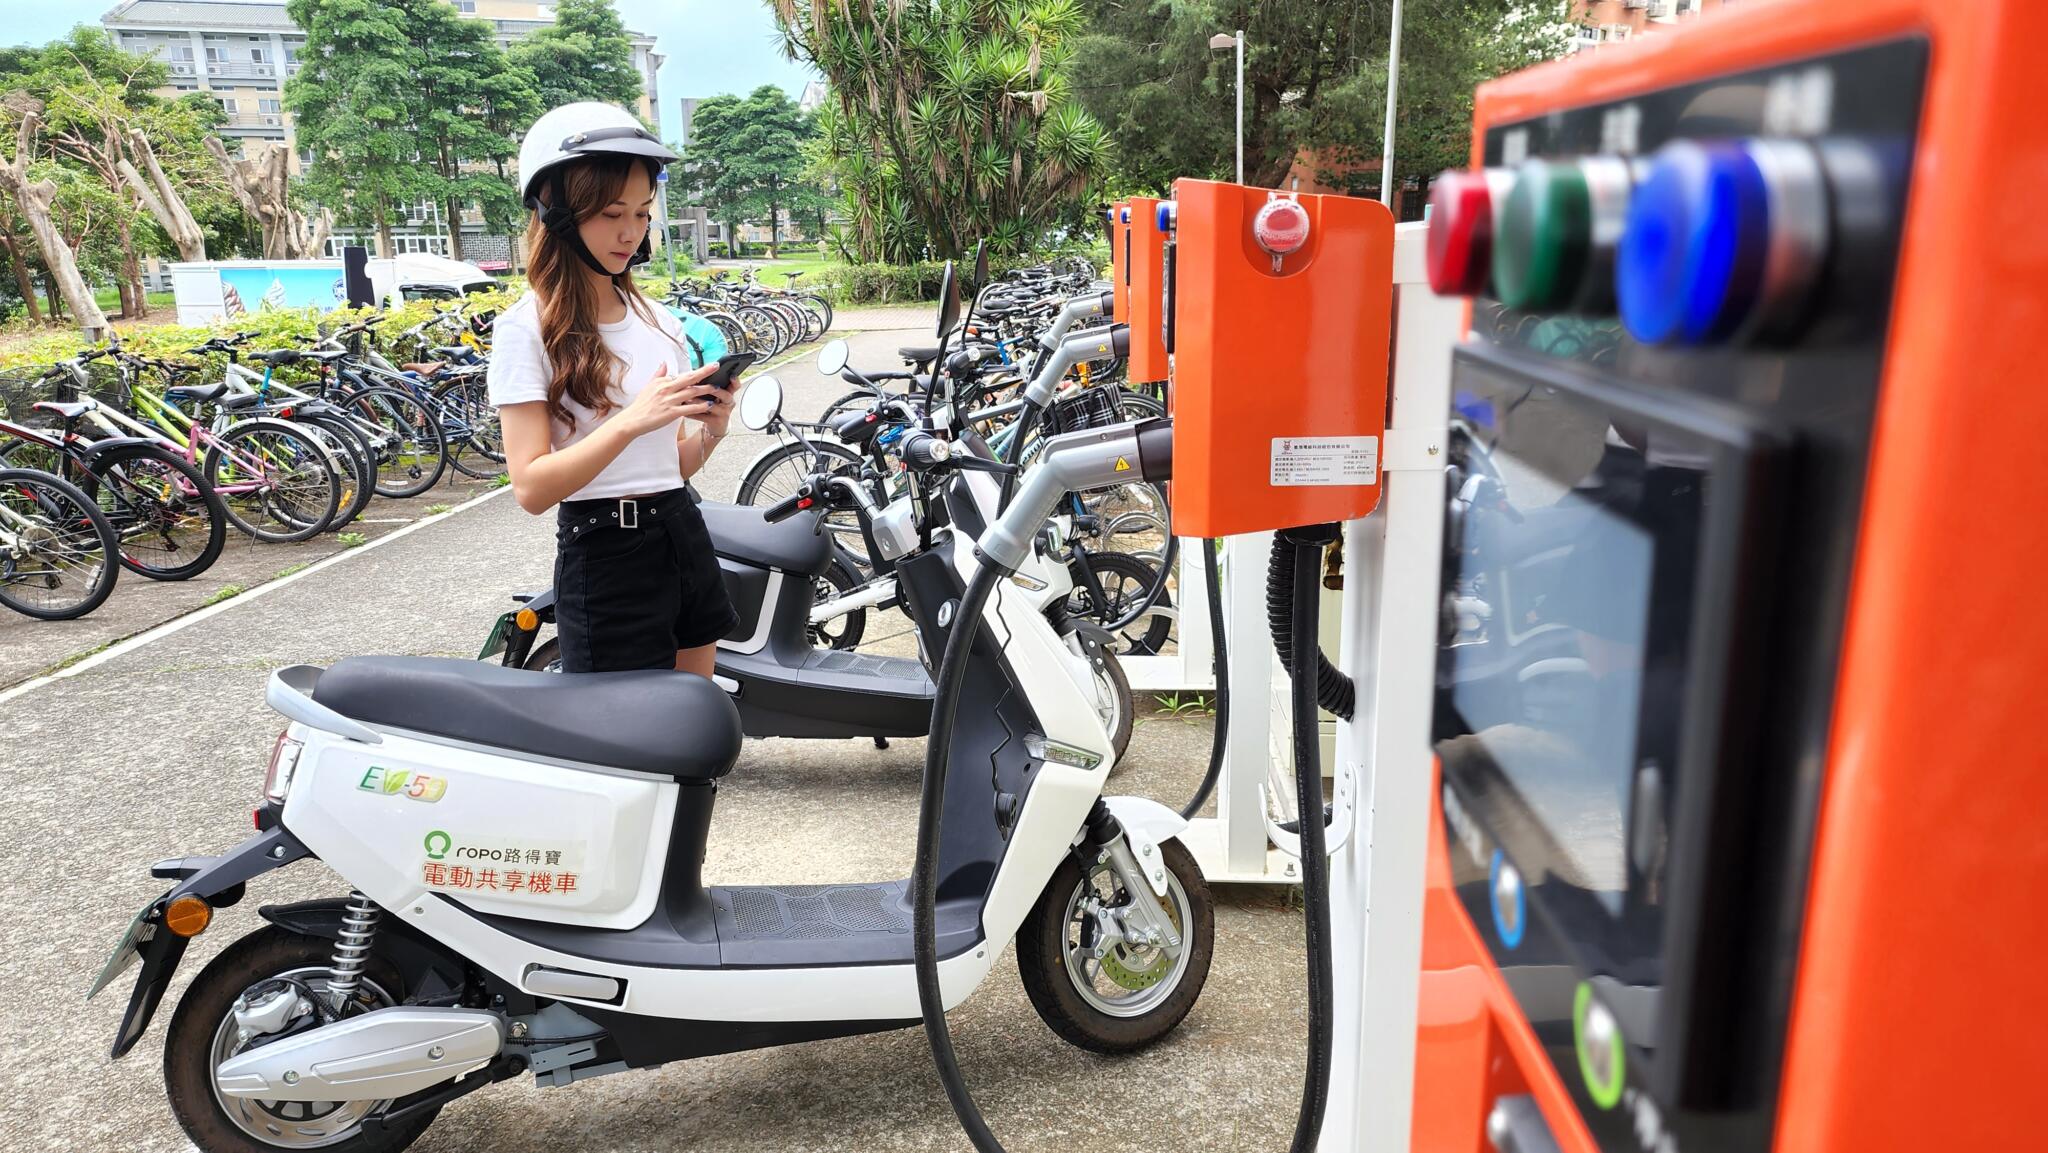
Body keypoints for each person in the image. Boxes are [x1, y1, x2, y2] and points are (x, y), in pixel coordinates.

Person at [488, 102, 740, 677]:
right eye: (610, 213)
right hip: (604, 553)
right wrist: (630, 421)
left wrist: (712, 431)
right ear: (555, 213)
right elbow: (530, 487)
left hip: (682, 532)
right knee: (619, 748)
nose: (631, 232)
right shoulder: (526, 328)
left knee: (693, 729)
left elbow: (667, 467)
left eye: (643, 212)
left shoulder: (658, 321)